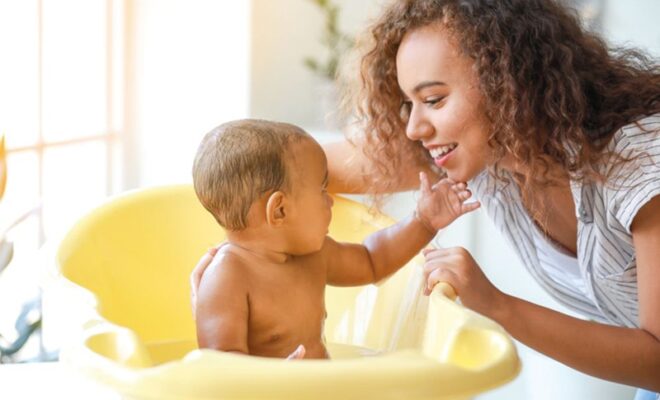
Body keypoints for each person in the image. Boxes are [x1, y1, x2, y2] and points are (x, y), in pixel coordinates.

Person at [321, 0, 659, 395]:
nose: (413, 128)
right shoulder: (490, 153)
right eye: (407, 104)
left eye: (433, 100)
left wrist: (496, 305)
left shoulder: (640, 162)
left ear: (508, 81)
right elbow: (298, 163)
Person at [190, 119, 479, 359]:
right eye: (322, 189)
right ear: (279, 210)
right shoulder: (228, 278)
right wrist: (271, 382)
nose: (330, 202)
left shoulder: (314, 255)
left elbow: (372, 260)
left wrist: (424, 222)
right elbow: (220, 369)